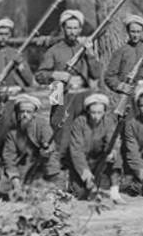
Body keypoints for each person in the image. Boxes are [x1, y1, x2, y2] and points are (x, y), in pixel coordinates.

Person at [37, 10, 102, 143]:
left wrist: (90, 54)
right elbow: (40, 76)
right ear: (63, 29)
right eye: (69, 28)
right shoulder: (54, 50)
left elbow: (96, 74)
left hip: (82, 92)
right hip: (58, 91)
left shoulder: (85, 48)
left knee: (82, 132)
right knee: (59, 131)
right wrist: (56, 74)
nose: (72, 31)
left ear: (80, 29)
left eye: (75, 28)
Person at [0, 93, 62, 196]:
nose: (25, 115)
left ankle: (54, 188)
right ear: (17, 113)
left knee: (51, 164)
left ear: (34, 114)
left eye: (28, 112)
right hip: (25, 166)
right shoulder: (12, 132)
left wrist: (46, 150)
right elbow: (9, 157)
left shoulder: (42, 125)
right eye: (22, 112)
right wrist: (15, 179)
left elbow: (51, 145)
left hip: (43, 163)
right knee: (5, 186)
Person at [104, 13, 143, 101]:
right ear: (128, 31)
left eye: (138, 32)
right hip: (128, 96)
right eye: (133, 31)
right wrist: (121, 86)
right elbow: (109, 76)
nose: (135, 35)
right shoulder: (121, 52)